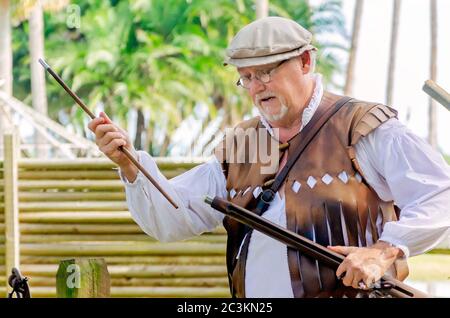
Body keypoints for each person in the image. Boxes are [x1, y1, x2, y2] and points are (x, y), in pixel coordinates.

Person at [88, 17, 450, 298]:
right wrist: (129, 165)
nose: (256, 86)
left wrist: (383, 252)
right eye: (246, 77)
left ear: (305, 61)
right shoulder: (246, 145)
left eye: (265, 72)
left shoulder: (358, 126)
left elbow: (439, 194)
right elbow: (172, 217)